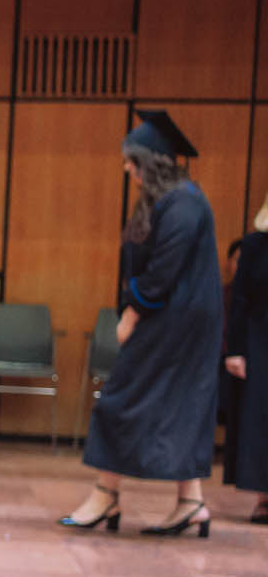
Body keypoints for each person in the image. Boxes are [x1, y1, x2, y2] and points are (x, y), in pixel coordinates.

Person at [61, 110, 223, 538]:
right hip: (181, 321)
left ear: (150, 163)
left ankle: (106, 494)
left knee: (120, 398)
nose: (126, 169)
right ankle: (191, 502)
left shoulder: (184, 201)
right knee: (181, 404)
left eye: (131, 161)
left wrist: (131, 314)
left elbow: (164, 269)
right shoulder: (170, 199)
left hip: (175, 322)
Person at [224, 197, 268, 523]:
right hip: (261, 339)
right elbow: (239, 299)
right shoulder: (254, 245)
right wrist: (235, 349)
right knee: (262, 419)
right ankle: (265, 497)